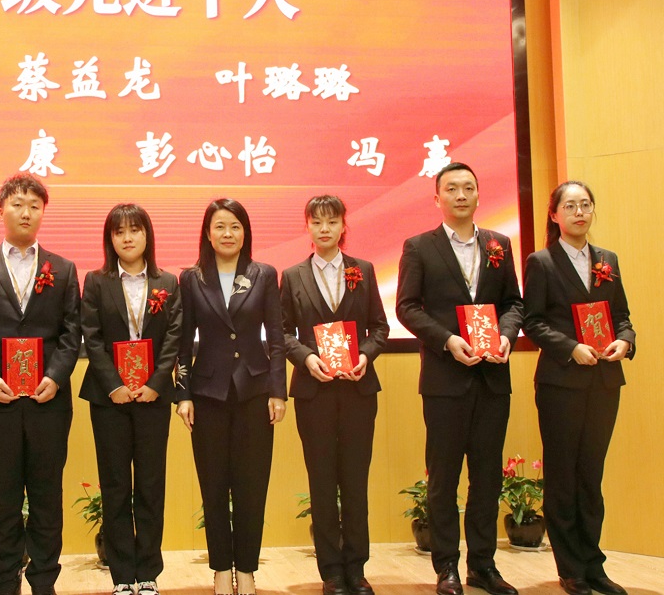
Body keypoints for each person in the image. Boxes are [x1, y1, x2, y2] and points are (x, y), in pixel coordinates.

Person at [396, 162, 523, 595]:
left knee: (487, 478)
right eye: (452, 188)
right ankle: (446, 566)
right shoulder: (419, 247)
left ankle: (483, 566)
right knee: (444, 478)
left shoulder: (499, 244)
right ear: (437, 198)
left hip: (492, 378)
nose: (461, 194)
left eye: (469, 187)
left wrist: (506, 335)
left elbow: (514, 303)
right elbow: (407, 307)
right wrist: (448, 341)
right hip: (445, 380)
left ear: (479, 195)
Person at [0, 173, 80, 595]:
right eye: (17, 204)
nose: (26, 212)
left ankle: (44, 581)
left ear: (43, 212)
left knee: (47, 495)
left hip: (49, 402)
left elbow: (71, 332)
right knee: (3, 495)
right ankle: (5, 581)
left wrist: (55, 377)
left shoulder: (63, 269)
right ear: (1, 209)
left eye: (34, 205)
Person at [523, 182, 634, 595]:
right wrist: (571, 348)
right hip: (561, 382)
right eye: (570, 206)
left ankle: (593, 565)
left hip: (604, 381)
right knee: (563, 475)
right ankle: (570, 568)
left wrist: (625, 341)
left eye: (585, 204)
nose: (579, 212)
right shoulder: (541, 262)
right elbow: (532, 322)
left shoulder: (608, 259)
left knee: (591, 474)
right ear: (554, 215)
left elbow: (622, 315)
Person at [175, 198, 286, 595]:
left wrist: (278, 391)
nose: (228, 234)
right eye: (220, 226)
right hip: (207, 394)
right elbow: (183, 341)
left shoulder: (263, 274)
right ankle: (222, 570)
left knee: (252, 485)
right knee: (214, 486)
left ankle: (248, 570)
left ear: (245, 232)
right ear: (208, 233)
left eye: (235, 226)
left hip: (255, 392)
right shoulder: (191, 279)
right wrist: (183, 394)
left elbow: (276, 337)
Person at [280, 195, 389, 595]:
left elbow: (380, 327)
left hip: (358, 389)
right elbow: (282, 332)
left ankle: (356, 568)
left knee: (356, 481)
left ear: (344, 225)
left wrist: (365, 355)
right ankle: (331, 571)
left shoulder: (364, 270)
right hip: (315, 392)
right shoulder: (292, 276)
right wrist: (307, 359)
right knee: (322, 481)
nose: (324, 228)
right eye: (316, 221)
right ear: (307, 227)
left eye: (332, 221)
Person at [79, 204, 182, 595]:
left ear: (147, 235)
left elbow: (174, 337)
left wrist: (156, 382)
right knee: (116, 484)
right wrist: (114, 384)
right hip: (110, 399)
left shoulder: (167, 282)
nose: (127, 237)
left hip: (153, 397)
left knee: (151, 484)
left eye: (134, 230)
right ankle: (122, 574)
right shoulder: (96, 281)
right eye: (118, 231)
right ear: (110, 239)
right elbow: (91, 337)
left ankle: (149, 571)